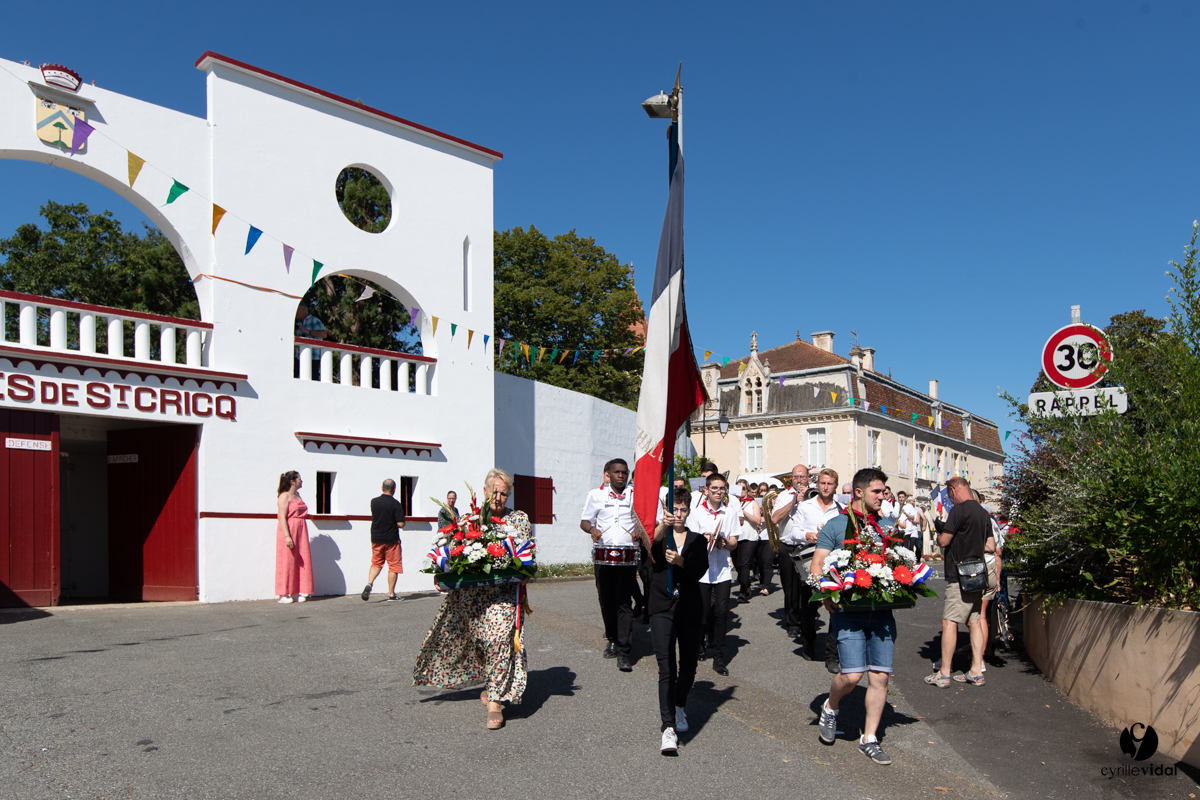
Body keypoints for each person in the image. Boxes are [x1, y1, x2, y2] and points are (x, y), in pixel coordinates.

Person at [413, 468, 532, 730]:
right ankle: (492, 683)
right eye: (495, 492)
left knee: (499, 639)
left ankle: (495, 703)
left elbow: (529, 552)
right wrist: (441, 573)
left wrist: (526, 572)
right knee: (478, 641)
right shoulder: (469, 521)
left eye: (504, 493)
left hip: (504, 594)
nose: (498, 497)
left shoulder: (519, 520)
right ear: (485, 491)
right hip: (472, 597)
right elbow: (451, 551)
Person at [810, 467, 897, 766]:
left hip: (882, 612)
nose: (882, 496)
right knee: (851, 675)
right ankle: (831, 706)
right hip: (848, 612)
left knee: (880, 676)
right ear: (859, 492)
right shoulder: (836, 525)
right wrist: (825, 596)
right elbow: (817, 564)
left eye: (884, 491)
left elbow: (899, 563)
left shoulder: (886, 526)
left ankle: (869, 738)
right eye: (877, 491)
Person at [649, 486, 709, 755]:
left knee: (688, 666)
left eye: (684, 509)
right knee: (666, 668)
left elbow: (699, 571)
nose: (680, 514)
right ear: (668, 510)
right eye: (676, 509)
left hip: (689, 606)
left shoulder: (698, 541)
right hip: (662, 606)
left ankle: (680, 704)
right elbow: (650, 547)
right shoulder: (661, 535)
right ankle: (667, 727)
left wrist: (683, 561)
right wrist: (663, 523)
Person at [580, 458, 650, 672]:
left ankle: (623, 651)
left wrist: (640, 530)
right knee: (606, 601)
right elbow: (584, 520)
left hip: (627, 557)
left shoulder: (635, 495)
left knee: (623, 603)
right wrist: (592, 530)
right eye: (617, 472)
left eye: (624, 473)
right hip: (603, 557)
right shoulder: (596, 495)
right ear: (608, 474)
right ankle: (612, 637)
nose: (621, 476)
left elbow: (646, 519)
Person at [926, 477, 995, 688]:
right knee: (974, 621)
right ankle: (976, 670)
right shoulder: (983, 512)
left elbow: (944, 541)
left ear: (953, 490)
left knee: (949, 622)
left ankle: (944, 673)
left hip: (960, 575)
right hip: (979, 573)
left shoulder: (959, 510)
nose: (949, 498)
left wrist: (940, 532)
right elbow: (990, 545)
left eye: (949, 494)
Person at [689, 473, 739, 676]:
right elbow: (690, 542)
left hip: (723, 570)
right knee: (702, 613)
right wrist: (704, 538)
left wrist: (725, 542)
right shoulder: (696, 513)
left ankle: (718, 656)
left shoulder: (730, 512)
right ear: (706, 490)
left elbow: (735, 542)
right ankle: (699, 644)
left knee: (720, 613)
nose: (719, 492)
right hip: (702, 571)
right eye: (715, 489)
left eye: (722, 488)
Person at [792, 468, 843, 662]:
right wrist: (807, 535)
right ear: (817, 484)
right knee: (809, 606)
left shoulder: (839, 509)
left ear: (835, 486)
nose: (826, 487)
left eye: (830, 484)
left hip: (832, 562)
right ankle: (809, 642)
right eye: (823, 483)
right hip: (808, 558)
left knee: (835, 605)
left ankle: (832, 654)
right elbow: (793, 532)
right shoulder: (805, 506)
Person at [770, 464, 812, 640]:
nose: (799, 480)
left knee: (808, 587)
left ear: (808, 478)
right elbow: (775, 518)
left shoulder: (814, 494)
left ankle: (808, 621)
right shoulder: (783, 496)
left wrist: (807, 499)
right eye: (796, 477)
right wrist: (793, 501)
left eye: (802, 477)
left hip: (808, 546)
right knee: (790, 587)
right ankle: (793, 623)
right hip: (787, 545)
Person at [361, 478, 406, 602]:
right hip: (391, 539)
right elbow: (401, 524)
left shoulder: (374, 502)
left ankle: (369, 583)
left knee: (376, 563)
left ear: (382, 488)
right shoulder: (396, 504)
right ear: (394, 489)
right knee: (393, 566)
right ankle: (391, 594)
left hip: (376, 538)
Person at [275, 471, 315, 603]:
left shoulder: (297, 495)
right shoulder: (284, 496)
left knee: (300, 559)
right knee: (287, 560)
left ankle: (296, 591)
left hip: (301, 529)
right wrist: (287, 536)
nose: (301, 481)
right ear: (292, 481)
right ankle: (283, 593)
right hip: (290, 529)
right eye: (299, 479)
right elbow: (282, 517)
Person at [734, 482, 770, 602]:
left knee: (745, 564)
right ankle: (747, 584)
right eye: (738, 488)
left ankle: (743, 592)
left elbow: (757, 521)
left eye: (743, 488)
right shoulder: (733, 503)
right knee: (737, 564)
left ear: (747, 489)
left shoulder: (752, 502)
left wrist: (743, 512)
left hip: (750, 537)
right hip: (736, 537)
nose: (741, 490)